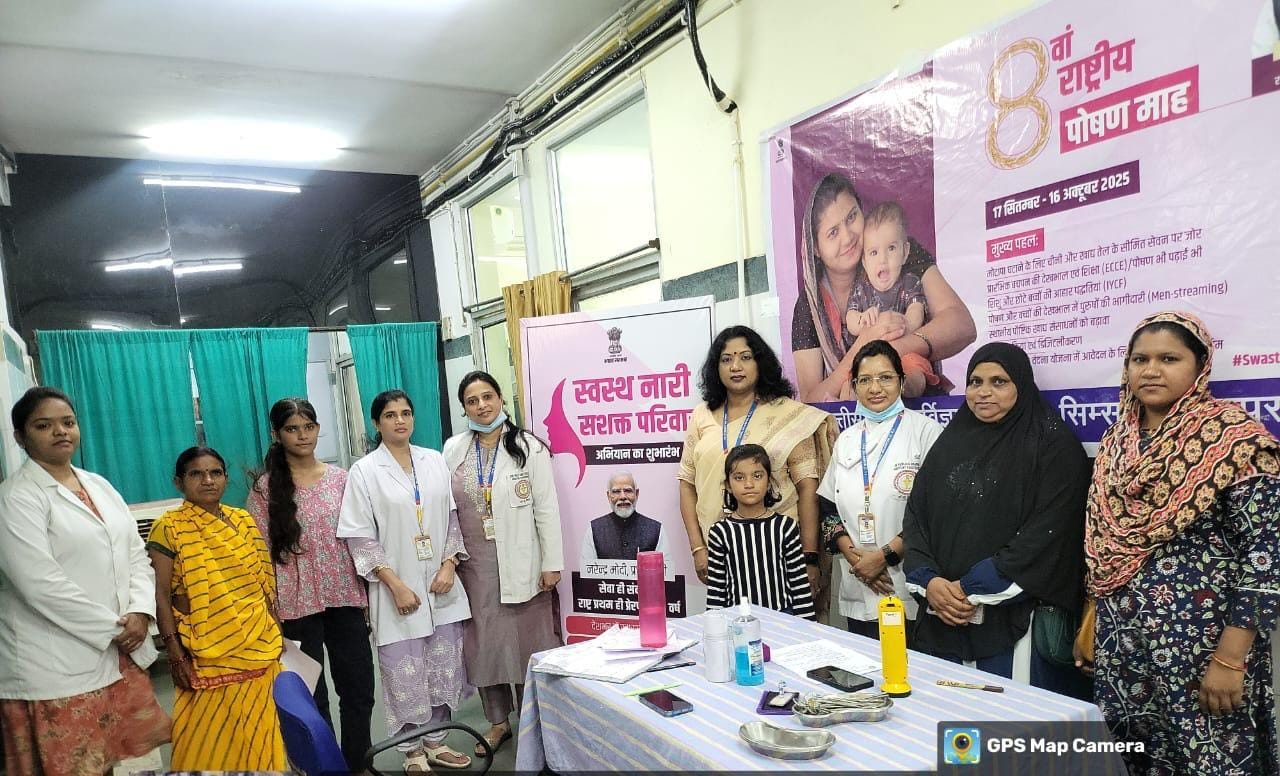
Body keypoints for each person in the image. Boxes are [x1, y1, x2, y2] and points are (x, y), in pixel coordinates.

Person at [1082, 312, 1280, 774]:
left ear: (1200, 365)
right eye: (1140, 360)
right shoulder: (1116, 441)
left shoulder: (1234, 440)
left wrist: (1230, 659)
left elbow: (1266, 556)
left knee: (1210, 760)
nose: (1151, 370)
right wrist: (1091, 621)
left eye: (1169, 359)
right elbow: (1101, 542)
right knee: (1130, 757)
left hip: (1204, 649)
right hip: (1123, 644)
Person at [901, 343, 1090, 696]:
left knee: (1008, 717)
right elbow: (916, 517)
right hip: (941, 614)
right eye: (975, 382)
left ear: (1022, 384)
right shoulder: (950, 443)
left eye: (999, 381)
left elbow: (1049, 532)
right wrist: (930, 581)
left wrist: (969, 588)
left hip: (1014, 620)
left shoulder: (1054, 447)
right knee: (950, 715)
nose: (983, 392)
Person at [0, 387, 169, 776]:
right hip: (54, 665)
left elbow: (134, 552)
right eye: (44, 425)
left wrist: (140, 611)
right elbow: (39, 584)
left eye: (68, 422)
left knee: (107, 761)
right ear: (20, 437)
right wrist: (116, 628)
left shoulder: (98, 485)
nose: (60, 431)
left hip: (116, 653)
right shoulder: (16, 498)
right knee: (73, 766)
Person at [339, 389, 473, 772]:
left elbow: (452, 519)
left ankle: (436, 742)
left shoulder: (434, 460)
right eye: (390, 415)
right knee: (404, 673)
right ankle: (411, 750)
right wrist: (394, 585)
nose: (400, 420)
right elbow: (359, 536)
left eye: (406, 413)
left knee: (442, 667)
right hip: (396, 590)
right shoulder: (364, 471)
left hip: (441, 585)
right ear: (376, 422)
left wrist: (449, 564)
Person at [246, 397, 374, 773]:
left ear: (318, 429)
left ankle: (357, 762)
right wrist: (269, 610)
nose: (302, 435)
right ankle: (325, 766)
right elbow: (259, 554)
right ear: (277, 435)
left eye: (308, 427)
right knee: (311, 696)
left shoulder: (342, 479)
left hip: (345, 597)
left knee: (359, 689)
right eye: (292, 429)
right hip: (294, 606)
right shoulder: (265, 490)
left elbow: (360, 538)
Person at [442, 372, 562, 757]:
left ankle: (533, 721)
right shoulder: (453, 450)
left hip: (524, 561)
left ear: (501, 399)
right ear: (464, 408)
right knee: (485, 646)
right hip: (474, 568)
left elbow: (546, 508)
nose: (482, 405)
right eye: (472, 400)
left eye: (487, 396)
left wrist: (552, 562)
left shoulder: (529, 447)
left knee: (529, 643)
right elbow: (445, 510)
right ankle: (497, 723)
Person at [678, 325, 836, 613]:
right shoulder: (701, 415)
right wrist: (698, 548)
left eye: (745, 357)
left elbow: (808, 488)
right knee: (728, 625)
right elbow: (687, 483)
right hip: (722, 550)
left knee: (788, 626)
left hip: (779, 552)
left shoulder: (788, 415)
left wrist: (809, 556)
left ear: (760, 362)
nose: (735, 366)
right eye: (726, 359)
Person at [147, 446, 287, 771]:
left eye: (215, 473)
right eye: (196, 474)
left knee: (261, 735)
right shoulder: (169, 527)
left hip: (257, 644)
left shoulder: (242, 520)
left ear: (225, 478)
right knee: (208, 740)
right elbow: (159, 594)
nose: (207, 480)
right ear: (179, 482)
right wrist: (175, 654)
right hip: (207, 652)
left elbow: (262, 583)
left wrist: (276, 629)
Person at [791, 172, 976, 402]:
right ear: (816, 249)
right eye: (833, 232)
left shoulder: (894, 251)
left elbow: (962, 325)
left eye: (852, 217)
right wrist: (864, 346)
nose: (848, 237)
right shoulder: (810, 306)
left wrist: (893, 348)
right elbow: (811, 400)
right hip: (851, 418)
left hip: (918, 408)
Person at [818, 341, 942, 640]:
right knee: (866, 663)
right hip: (858, 581)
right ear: (854, 387)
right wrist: (858, 561)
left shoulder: (926, 432)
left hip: (909, 583)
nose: (875, 388)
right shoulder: (847, 439)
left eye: (885, 377)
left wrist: (884, 557)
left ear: (901, 381)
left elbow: (936, 511)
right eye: (865, 380)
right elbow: (828, 508)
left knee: (910, 663)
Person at [705, 444, 815, 619]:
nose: (749, 484)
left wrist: (808, 629)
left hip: (782, 618)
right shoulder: (720, 532)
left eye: (757, 476)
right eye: (739, 477)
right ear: (728, 485)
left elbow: (800, 585)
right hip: (737, 621)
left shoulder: (785, 527)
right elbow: (716, 590)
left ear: (769, 481)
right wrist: (714, 628)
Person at [843, 202, 935, 392]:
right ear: (864, 261)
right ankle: (848, 401)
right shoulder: (862, 289)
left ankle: (905, 388)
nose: (882, 259)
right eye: (874, 252)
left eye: (891, 248)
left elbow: (916, 309)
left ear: (905, 252)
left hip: (904, 352)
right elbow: (850, 318)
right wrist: (862, 319)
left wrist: (905, 325)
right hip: (871, 358)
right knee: (850, 378)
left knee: (915, 367)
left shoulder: (909, 282)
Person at [581, 471, 669, 565]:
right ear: (609, 496)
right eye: (616, 491)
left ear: (636, 494)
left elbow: (666, 570)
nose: (622, 497)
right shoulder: (594, 529)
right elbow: (587, 570)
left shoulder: (656, 530)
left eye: (628, 490)